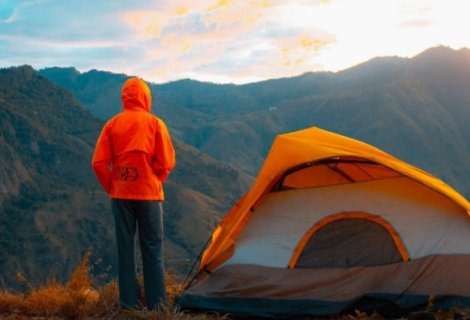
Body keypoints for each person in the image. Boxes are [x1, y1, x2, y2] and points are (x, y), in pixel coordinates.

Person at [92, 77, 175, 311]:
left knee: (125, 250)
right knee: (152, 250)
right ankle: (157, 308)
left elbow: (99, 163)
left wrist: (114, 186)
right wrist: (154, 178)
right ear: (146, 97)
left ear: (124, 98)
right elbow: (166, 162)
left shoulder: (112, 124)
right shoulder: (155, 123)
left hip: (121, 195)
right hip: (149, 195)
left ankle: (128, 306)